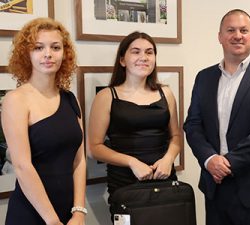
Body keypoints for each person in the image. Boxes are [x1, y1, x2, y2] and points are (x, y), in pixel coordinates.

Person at [184, 9, 250, 225]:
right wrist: (209, 160)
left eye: (244, 30)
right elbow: (193, 125)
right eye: (231, 30)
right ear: (220, 36)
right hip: (215, 188)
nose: (237, 35)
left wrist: (227, 163)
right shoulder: (204, 77)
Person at [88, 31, 182, 219]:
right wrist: (132, 162)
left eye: (149, 52)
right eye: (136, 52)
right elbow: (94, 149)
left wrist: (168, 159)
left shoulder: (166, 93)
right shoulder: (106, 96)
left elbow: (176, 137)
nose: (143, 57)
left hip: (164, 181)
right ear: (122, 60)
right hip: (124, 185)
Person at [2, 17, 86, 225]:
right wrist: (53, 221)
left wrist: (79, 211)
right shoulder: (16, 100)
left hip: (69, 211)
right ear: (26, 54)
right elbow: (22, 166)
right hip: (32, 213)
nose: (48, 54)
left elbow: (79, 160)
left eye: (55, 47)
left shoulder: (70, 98)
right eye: (38, 48)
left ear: (64, 53)